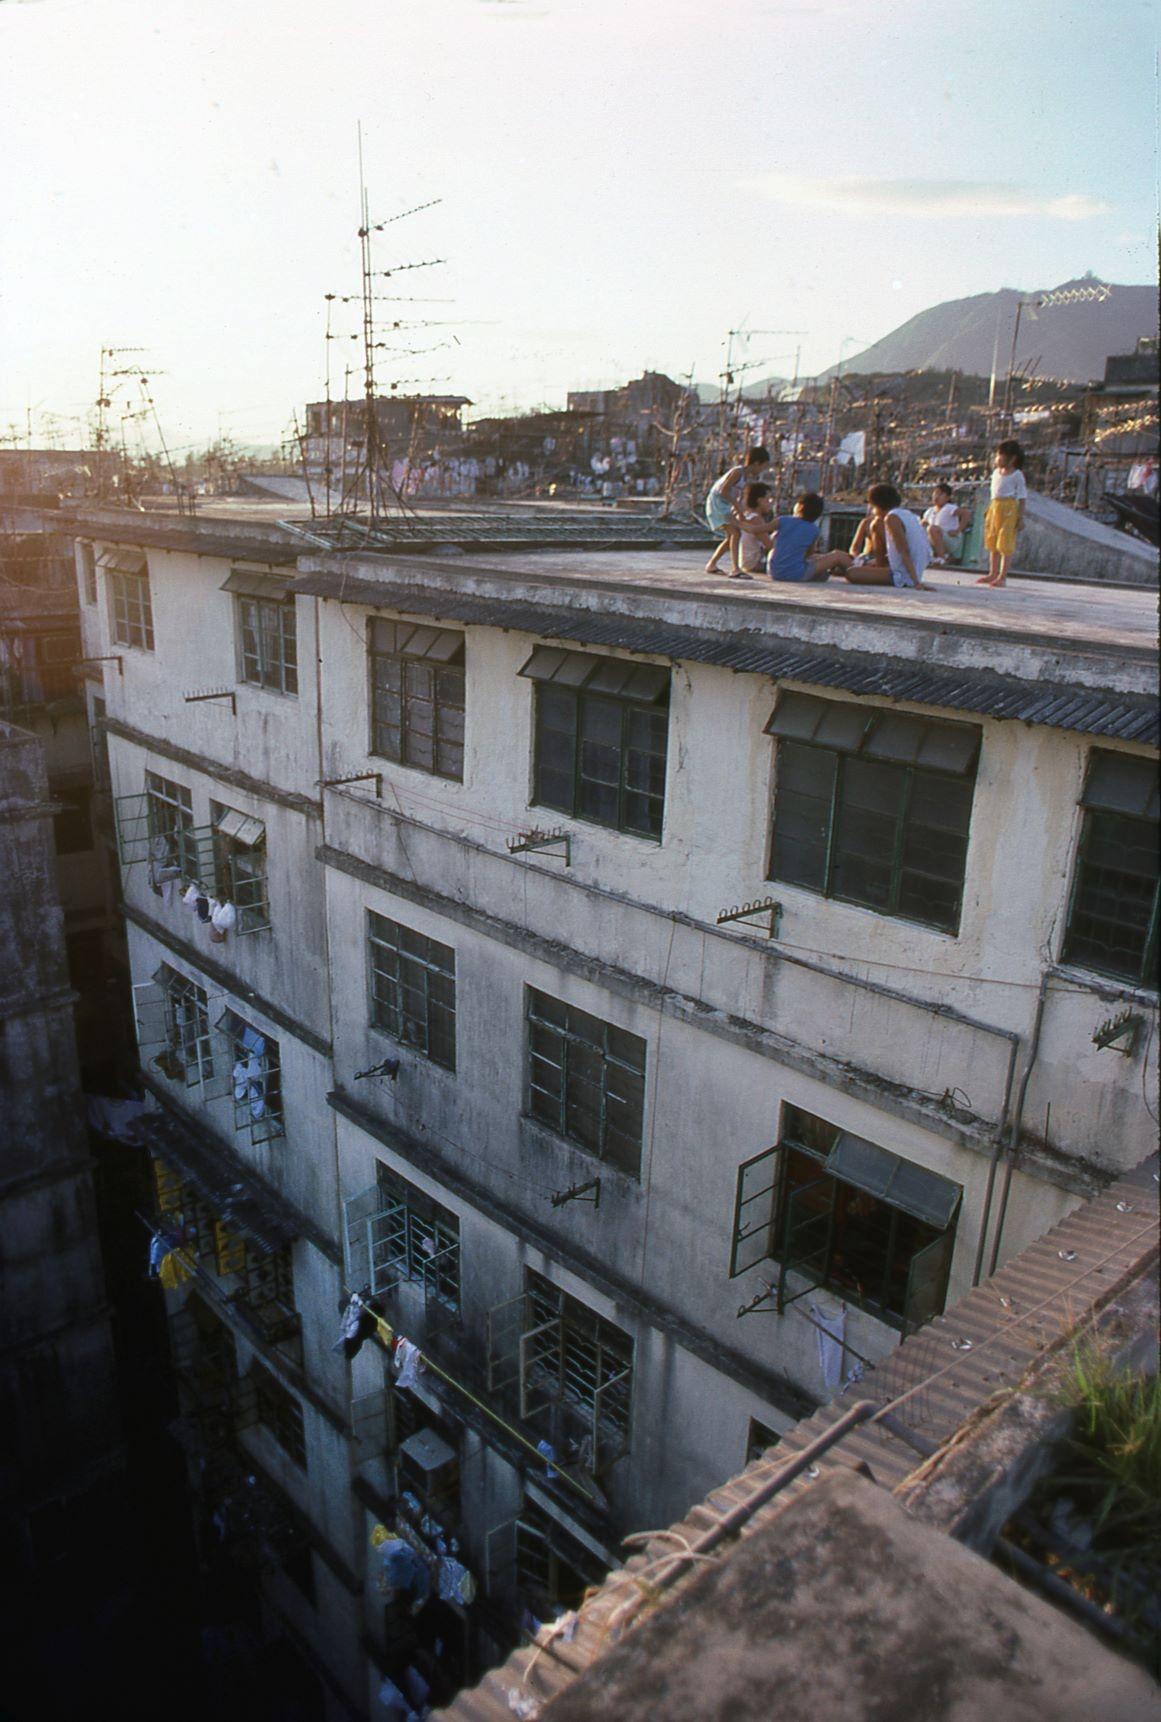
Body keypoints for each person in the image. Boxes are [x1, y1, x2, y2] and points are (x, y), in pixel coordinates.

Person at [842, 483, 933, 588]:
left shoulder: (891, 518)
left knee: (852, 573)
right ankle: (880, 568)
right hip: (912, 569)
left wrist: (916, 582)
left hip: (904, 574)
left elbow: (904, 551)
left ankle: (881, 569)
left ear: (876, 505)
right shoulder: (907, 514)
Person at [704, 445, 770, 574]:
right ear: (756, 463)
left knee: (730, 537)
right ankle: (735, 569)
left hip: (724, 504)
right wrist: (736, 507)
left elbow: (737, 498)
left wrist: (739, 513)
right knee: (735, 534)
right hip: (717, 503)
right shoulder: (738, 472)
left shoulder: (744, 477)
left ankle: (711, 564)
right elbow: (723, 491)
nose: (762, 470)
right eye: (763, 466)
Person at [766, 492, 854, 583]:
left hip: (774, 573)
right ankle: (857, 571)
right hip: (795, 574)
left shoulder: (783, 521)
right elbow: (809, 554)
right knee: (837, 555)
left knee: (821, 567)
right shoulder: (813, 529)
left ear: (800, 506)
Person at [978, 439, 1026, 587]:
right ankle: (992, 573)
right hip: (995, 507)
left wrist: (1020, 517)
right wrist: (989, 509)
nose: (997, 459)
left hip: (1009, 508)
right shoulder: (995, 473)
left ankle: (1002, 576)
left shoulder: (1017, 475)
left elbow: (1022, 497)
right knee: (992, 540)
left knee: (1005, 543)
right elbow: (994, 493)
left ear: (1012, 459)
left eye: (1001, 456)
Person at [736, 481, 776, 576]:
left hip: (745, 562)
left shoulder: (746, 516)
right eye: (768, 499)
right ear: (759, 501)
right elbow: (769, 545)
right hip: (754, 563)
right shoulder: (756, 519)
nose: (770, 503)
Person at [922, 483, 966, 564]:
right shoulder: (929, 511)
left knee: (932, 529)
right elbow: (921, 524)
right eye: (935, 493)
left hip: (950, 539)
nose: (936, 496)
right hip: (935, 540)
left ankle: (941, 558)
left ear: (947, 497)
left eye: (940, 494)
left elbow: (966, 514)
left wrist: (958, 530)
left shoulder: (949, 508)